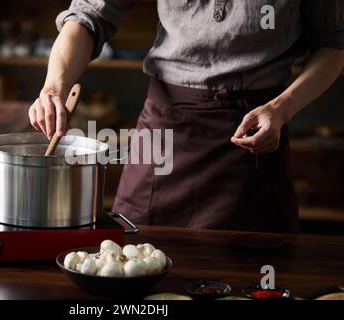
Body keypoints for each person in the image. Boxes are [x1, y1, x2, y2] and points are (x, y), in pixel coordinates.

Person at [28, 0, 344, 233]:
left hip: (255, 130)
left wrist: (282, 108)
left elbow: (333, 46)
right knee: (131, 255)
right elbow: (87, 18)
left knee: (251, 275)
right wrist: (54, 87)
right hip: (166, 128)